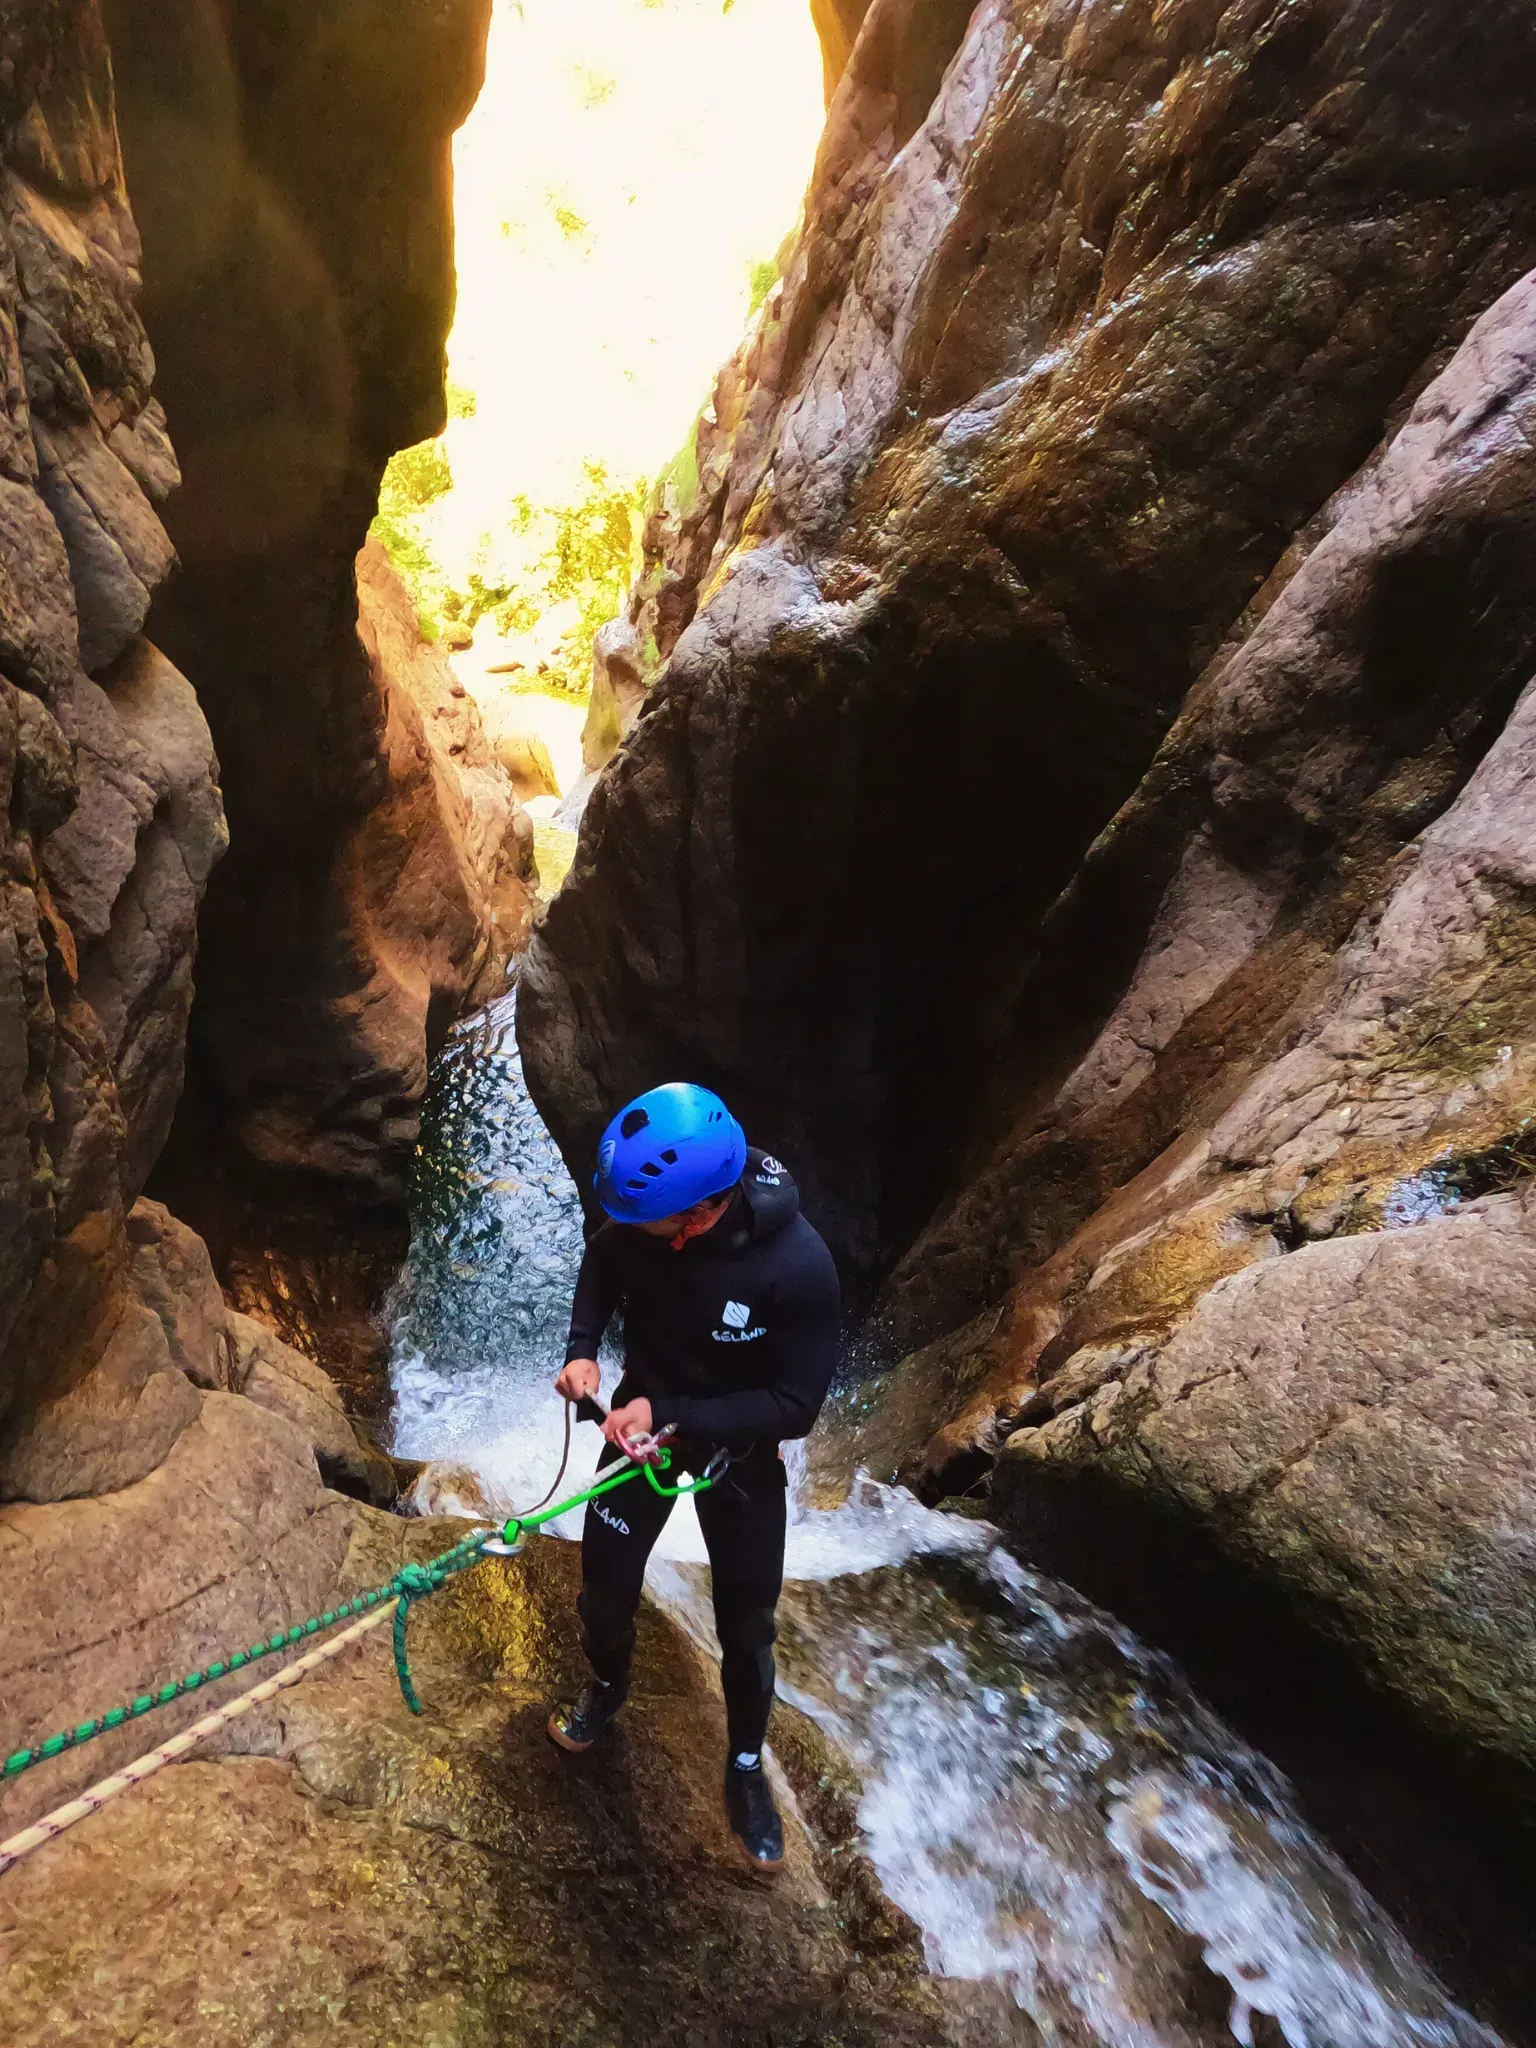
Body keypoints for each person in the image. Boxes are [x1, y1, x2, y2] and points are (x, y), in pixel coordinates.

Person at [546, 1081, 840, 1874]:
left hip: (736, 1454)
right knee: (602, 1592)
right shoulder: (647, 1226)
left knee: (747, 1627)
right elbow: (604, 1259)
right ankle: (609, 1685)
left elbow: (795, 1403)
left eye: (645, 1219)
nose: (628, 1228)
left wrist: (668, 1410)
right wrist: (582, 1348)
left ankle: (745, 1763)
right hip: (643, 1435)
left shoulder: (798, 1267)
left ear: (699, 1214)